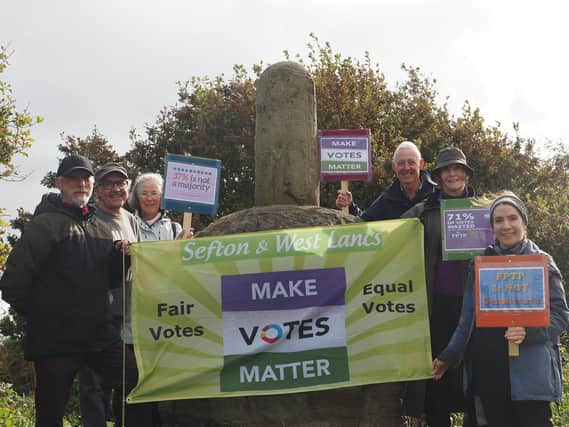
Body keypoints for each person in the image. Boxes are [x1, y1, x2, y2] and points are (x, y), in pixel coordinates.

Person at [0, 154, 152, 427]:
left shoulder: (102, 227)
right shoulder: (43, 225)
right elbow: (13, 284)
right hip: (56, 342)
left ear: (92, 183)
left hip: (99, 336)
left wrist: (121, 259)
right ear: (59, 182)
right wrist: (44, 318)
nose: (81, 183)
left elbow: (108, 280)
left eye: (86, 178)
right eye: (73, 178)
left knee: (137, 383)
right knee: (50, 417)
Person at [432, 193, 569, 427]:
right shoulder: (480, 263)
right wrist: (449, 356)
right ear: (492, 226)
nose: (506, 226)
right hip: (488, 371)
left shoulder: (542, 261)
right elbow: (467, 320)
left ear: (524, 222)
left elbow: (561, 316)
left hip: (530, 376)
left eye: (512, 218)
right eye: (498, 220)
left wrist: (529, 332)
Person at [401, 147, 476, 426]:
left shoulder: (485, 210)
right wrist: (349, 212)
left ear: (466, 174)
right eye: (447, 170)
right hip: (438, 305)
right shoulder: (425, 210)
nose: (453, 174)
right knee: (436, 378)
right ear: (439, 176)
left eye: (458, 169)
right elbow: (389, 233)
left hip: (476, 306)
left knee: (474, 375)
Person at [78, 162, 141, 427]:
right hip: (97, 315)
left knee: (127, 384)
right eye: (109, 184)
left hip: (128, 315)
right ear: (98, 191)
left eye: (121, 183)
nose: (116, 189)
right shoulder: (88, 220)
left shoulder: (131, 219)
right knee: (94, 386)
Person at [336, 140, 436, 220]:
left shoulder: (437, 191)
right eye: (401, 163)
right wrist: (350, 206)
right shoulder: (388, 197)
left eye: (411, 162)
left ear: (421, 164)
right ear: (394, 166)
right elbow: (366, 222)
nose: (406, 168)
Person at [128, 172, 191, 241]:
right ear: (137, 197)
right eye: (144, 193)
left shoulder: (174, 230)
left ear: (162, 197)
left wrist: (181, 246)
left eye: (154, 193)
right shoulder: (126, 224)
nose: (149, 198)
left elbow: (180, 251)